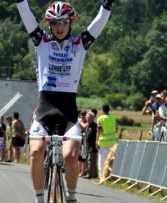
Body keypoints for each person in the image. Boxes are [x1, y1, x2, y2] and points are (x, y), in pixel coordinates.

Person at [17, 0, 115, 201]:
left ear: (70, 23)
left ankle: (71, 197)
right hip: (44, 109)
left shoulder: (80, 44)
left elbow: (98, 23)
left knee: (71, 157)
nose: (59, 27)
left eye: (63, 22)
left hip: (68, 111)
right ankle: (39, 198)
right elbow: (27, 17)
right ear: (49, 25)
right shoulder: (41, 41)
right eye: (54, 23)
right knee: (36, 152)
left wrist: (107, 4)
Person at [96, 104, 117, 181]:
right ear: (109, 109)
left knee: (102, 160)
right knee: (111, 160)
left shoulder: (100, 118)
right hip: (112, 142)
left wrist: (96, 141)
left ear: (102, 110)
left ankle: (101, 176)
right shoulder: (113, 118)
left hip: (103, 142)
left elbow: (98, 130)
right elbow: (116, 129)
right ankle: (110, 176)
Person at [83, 111, 98, 179]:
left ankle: (90, 174)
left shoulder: (95, 126)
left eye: (89, 118)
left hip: (93, 145)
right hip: (88, 145)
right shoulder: (87, 125)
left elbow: (96, 136)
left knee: (91, 160)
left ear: (93, 118)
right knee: (89, 160)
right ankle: (93, 174)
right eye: (87, 117)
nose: (88, 119)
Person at [78, 110, 88, 177]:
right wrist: (88, 122)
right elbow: (83, 126)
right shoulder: (79, 120)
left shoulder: (86, 120)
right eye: (82, 116)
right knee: (80, 157)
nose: (83, 118)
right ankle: (80, 171)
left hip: (85, 140)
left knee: (83, 157)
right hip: (80, 139)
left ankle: (83, 171)